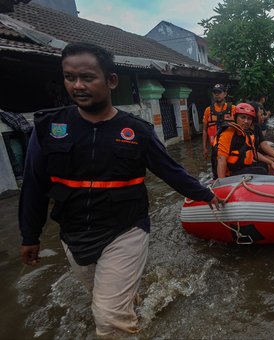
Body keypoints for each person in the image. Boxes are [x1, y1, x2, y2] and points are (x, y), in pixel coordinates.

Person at [18, 42, 223, 337]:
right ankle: (131, 303)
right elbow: (35, 184)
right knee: (102, 299)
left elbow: (170, 170)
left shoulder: (136, 130)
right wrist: (29, 234)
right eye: (69, 77)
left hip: (125, 229)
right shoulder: (50, 126)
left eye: (88, 77)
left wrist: (206, 194)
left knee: (108, 318)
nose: (78, 85)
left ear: (111, 80)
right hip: (73, 232)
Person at [215, 103, 274, 178]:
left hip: (241, 168)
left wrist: (270, 162)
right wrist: (222, 183)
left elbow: (254, 153)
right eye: (243, 117)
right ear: (235, 117)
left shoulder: (247, 133)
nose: (246, 121)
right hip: (230, 173)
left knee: (264, 165)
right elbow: (221, 159)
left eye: (249, 118)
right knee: (261, 171)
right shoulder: (228, 133)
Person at [202, 84, 235, 161]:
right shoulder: (208, 110)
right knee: (215, 168)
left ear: (225, 94)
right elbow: (204, 130)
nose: (217, 94)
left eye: (219, 92)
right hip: (215, 147)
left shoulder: (233, 109)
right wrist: (204, 148)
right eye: (215, 92)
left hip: (230, 146)